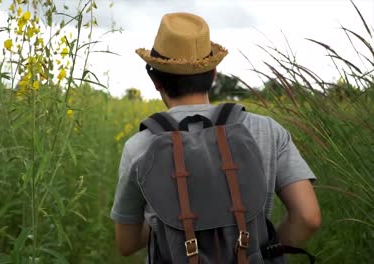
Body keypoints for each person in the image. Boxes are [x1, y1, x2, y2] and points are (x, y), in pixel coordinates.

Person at [110, 12, 321, 262]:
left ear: (156, 80)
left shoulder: (140, 146)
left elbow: (127, 242)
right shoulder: (267, 131)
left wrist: (167, 222)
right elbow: (308, 217)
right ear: (213, 74)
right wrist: (265, 252)